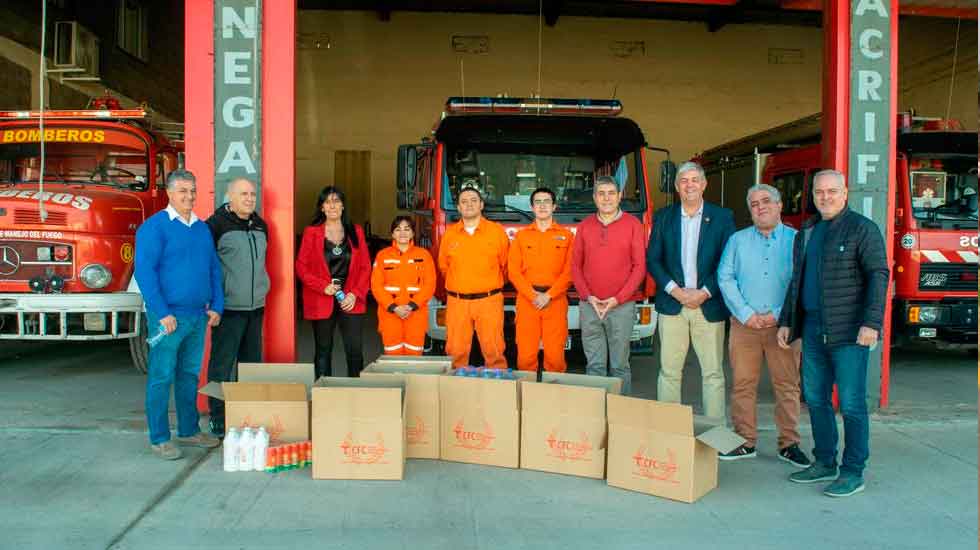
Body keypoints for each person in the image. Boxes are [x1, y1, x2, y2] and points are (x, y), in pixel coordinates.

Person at [778, 169, 889, 498]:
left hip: (850, 330)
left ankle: (853, 471)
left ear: (845, 193)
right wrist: (788, 320)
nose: (825, 197)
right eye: (819, 192)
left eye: (831, 191)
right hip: (812, 328)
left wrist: (872, 323)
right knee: (815, 398)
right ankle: (824, 460)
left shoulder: (862, 229)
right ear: (813, 194)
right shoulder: (808, 231)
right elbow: (797, 281)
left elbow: (878, 275)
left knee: (852, 403)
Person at [716, 184, 809, 467]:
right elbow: (725, 277)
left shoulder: (798, 240)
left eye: (766, 201)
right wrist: (746, 314)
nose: (760, 207)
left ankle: (789, 444)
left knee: (787, 386)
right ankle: (745, 441)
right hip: (745, 326)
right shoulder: (737, 241)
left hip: (784, 326)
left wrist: (780, 314)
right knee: (743, 384)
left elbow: (802, 283)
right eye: (754, 204)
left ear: (780, 205)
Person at [134, 169, 222, 460]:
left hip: (197, 317)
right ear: (169, 193)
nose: (189, 196)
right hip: (168, 319)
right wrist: (161, 313)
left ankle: (188, 431)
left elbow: (213, 269)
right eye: (183, 190)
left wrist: (216, 306)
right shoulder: (154, 228)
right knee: (160, 377)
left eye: (193, 190)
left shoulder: (201, 229)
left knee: (188, 376)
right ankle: (159, 438)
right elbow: (144, 273)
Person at [646, 161, 735, 419]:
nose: (690, 185)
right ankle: (670, 431)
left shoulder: (722, 217)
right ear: (676, 187)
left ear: (704, 184)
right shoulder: (664, 217)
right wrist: (676, 291)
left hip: (708, 304)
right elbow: (653, 259)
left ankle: (716, 432)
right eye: (684, 181)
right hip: (673, 305)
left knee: (713, 374)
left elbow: (728, 261)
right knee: (670, 372)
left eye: (695, 180)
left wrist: (704, 292)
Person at [204, 177, 270, 437]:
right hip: (228, 309)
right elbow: (207, 268)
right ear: (229, 197)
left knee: (251, 365)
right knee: (221, 366)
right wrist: (213, 303)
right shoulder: (215, 225)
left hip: (256, 307)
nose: (250, 199)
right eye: (243, 194)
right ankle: (218, 417)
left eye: (252, 194)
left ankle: (247, 416)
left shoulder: (261, 225)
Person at [571, 175, 646, 394]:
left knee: (620, 366)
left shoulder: (633, 225)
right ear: (594, 198)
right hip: (590, 306)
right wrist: (588, 296)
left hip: (621, 307)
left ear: (619, 196)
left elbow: (639, 267)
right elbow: (575, 266)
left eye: (611, 193)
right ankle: (596, 415)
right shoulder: (584, 226)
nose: (606, 198)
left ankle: (620, 415)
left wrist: (618, 299)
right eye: (601, 194)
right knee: (594, 366)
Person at [295, 186, 371, 378]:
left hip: (351, 299)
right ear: (321, 208)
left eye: (336, 201)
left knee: (355, 352)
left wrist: (355, 293)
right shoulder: (312, 233)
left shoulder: (356, 231)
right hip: (322, 299)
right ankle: (323, 395)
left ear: (343, 205)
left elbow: (365, 267)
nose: (332, 205)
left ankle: (355, 392)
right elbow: (301, 267)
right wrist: (323, 286)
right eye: (327, 202)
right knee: (323, 351)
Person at [437, 186, 509, 369]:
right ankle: (457, 393)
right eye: (464, 201)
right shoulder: (449, 234)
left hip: (489, 301)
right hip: (457, 302)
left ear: (481, 205)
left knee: (494, 352)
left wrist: (486, 285)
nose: (469, 205)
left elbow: (506, 267)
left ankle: (496, 390)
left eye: (473, 200)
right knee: (455, 353)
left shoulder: (496, 232)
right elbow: (444, 267)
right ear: (459, 208)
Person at [508, 187, 574, 373]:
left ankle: (553, 397)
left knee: (555, 357)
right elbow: (513, 271)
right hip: (528, 301)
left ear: (554, 207)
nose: (542, 205)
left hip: (556, 301)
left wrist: (549, 295)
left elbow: (569, 272)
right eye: (538, 202)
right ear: (532, 207)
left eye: (547, 202)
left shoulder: (567, 236)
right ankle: (527, 397)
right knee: (526, 356)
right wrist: (532, 295)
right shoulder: (521, 237)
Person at [371, 216, 436, 355]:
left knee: (414, 357)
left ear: (413, 233)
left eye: (407, 229)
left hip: (415, 315)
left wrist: (411, 306)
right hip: (390, 315)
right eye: (398, 229)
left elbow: (430, 285)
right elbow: (376, 286)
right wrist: (394, 307)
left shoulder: (424, 255)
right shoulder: (382, 256)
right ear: (392, 234)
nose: (402, 233)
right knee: (393, 357)